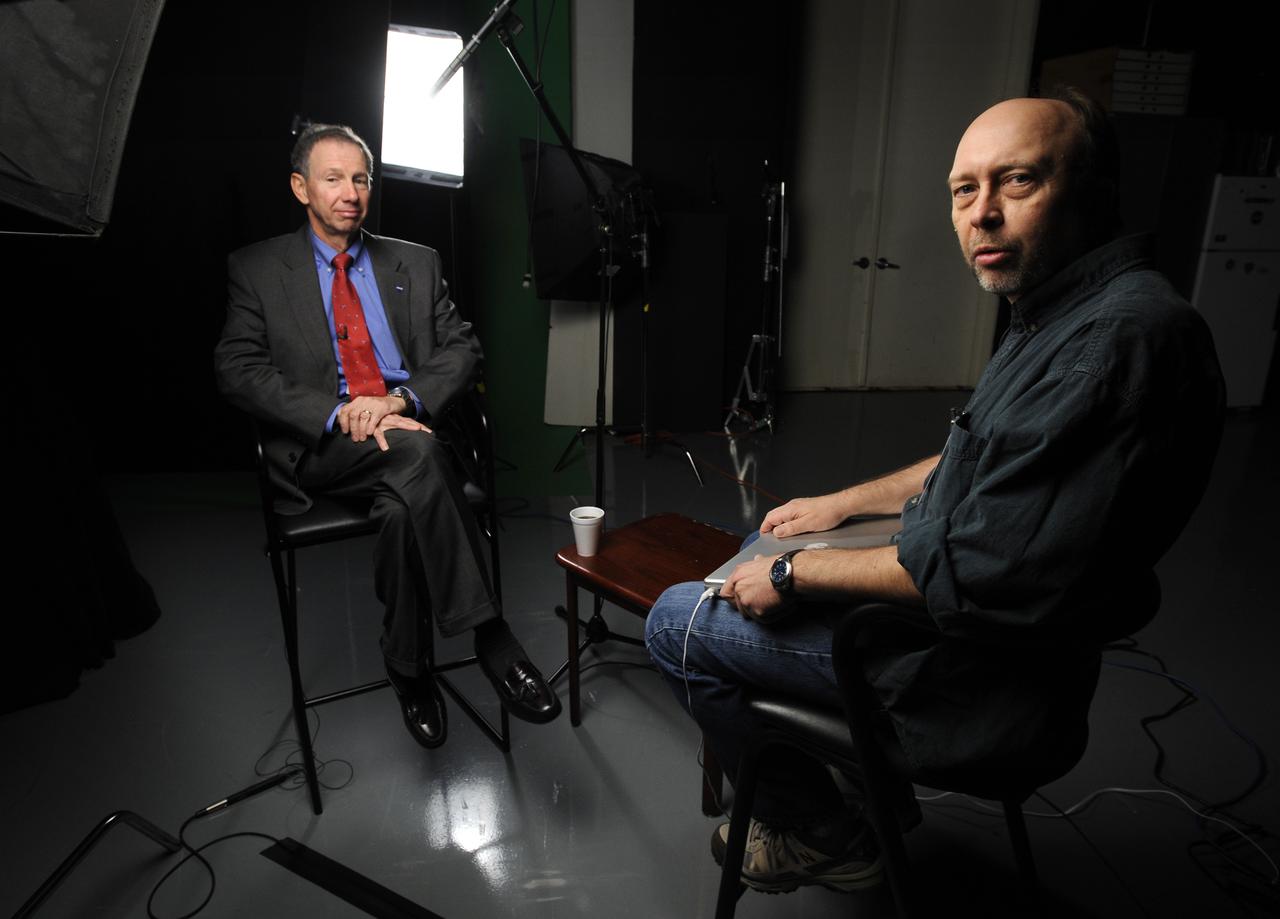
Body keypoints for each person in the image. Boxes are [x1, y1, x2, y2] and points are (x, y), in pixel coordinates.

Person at [644, 90, 1224, 894]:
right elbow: (976, 454)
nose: (981, 214)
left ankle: (829, 832)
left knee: (679, 618)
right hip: (962, 631)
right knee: (759, 544)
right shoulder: (1065, 314)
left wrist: (794, 573)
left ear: (1090, 190)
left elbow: (974, 568)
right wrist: (843, 506)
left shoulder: (1116, 341)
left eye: (1016, 182)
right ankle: (872, 797)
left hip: (975, 684)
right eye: (964, 189)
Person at [215, 123, 560, 749]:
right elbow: (236, 370)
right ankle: (492, 637)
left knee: (404, 506)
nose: (351, 192)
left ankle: (408, 668)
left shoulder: (415, 262)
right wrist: (336, 412)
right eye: (333, 178)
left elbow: (463, 349)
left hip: (409, 428)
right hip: (325, 447)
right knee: (420, 452)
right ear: (300, 188)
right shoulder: (258, 269)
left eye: (360, 178)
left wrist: (400, 400)